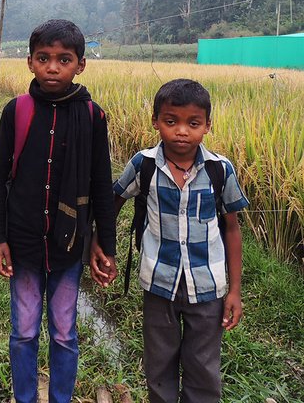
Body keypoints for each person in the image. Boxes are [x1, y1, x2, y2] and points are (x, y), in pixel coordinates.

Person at [90, 78, 249, 403]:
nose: (181, 131)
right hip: (158, 285)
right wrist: (100, 243)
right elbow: (113, 202)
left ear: (207, 125)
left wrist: (234, 291)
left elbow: (231, 229)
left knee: (203, 367)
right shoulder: (144, 164)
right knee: (159, 365)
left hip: (208, 290)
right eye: (171, 121)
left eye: (193, 123)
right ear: (155, 121)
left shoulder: (220, 170)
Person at [0, 19, 116, 403]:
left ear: (80, 65)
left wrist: (103, 244)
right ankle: (25, 397)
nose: (53, 67)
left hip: (70, 244)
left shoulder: (93, 117)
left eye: (64, 59)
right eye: (43, 58)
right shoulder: (17, 111)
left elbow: (101, 187)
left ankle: (61, 398)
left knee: (64, 332)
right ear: (30, 62)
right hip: (24, 241)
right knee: (24, 331)